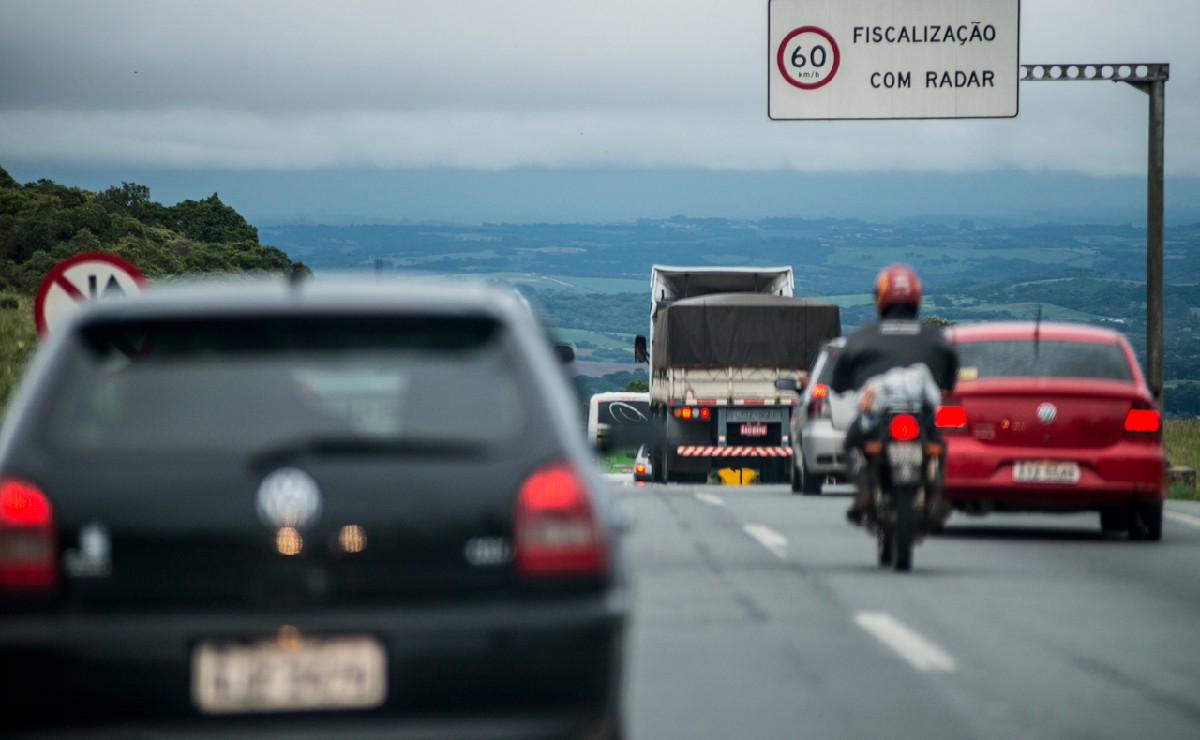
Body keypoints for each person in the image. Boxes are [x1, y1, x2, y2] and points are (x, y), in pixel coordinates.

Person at [829, 263, 959, 525]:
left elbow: (839, 380)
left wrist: (849, 387)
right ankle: (936, 492)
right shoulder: (934, 337)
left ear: (880, 299)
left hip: (881, 420)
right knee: (940, 444)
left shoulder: (863, 335)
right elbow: (950, 377)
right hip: (920, 418)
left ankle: (865, 490)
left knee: (853, 440)